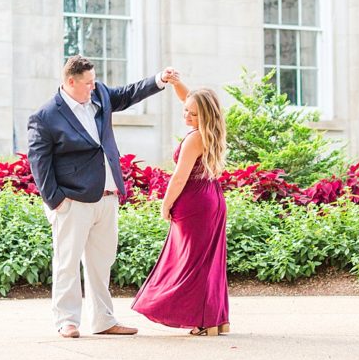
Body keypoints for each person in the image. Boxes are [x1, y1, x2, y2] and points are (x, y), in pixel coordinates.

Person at [27, 55, 178, 338]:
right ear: (70, 82)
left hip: (107, 196)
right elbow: (39, 162)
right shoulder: (46, 116)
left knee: (101, 262)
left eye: (94, 81)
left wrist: (159, 79)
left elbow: (128, 94)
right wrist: (56, 200)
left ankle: (103, 320)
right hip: (72, 201)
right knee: (67, 263)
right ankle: (67, 321)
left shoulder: (100, 95)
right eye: (87, 83)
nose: (93, 87)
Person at [131, 76, 230, 336]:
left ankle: (202, 321)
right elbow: (194, 100)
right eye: (185, 110)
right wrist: (176, 83)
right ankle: (217, 320)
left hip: (194, 202)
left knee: (189, 263)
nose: (186, 115)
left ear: (204, 116)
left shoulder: (194, 139)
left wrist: (165, 204)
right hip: (213, 199)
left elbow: (179, 177)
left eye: (193, 114)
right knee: (209, 261)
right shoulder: (213, 130)